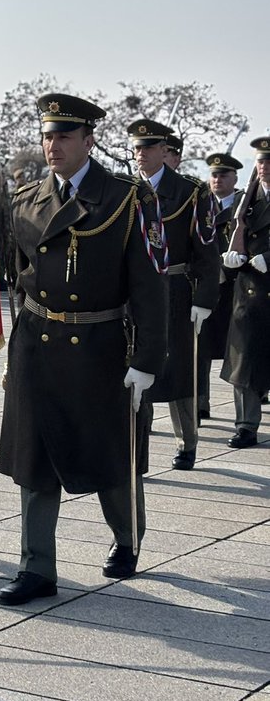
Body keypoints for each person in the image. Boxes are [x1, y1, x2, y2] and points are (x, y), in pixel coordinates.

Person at [0, 96, 167, 605]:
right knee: (35, 459)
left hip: (98, 346)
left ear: (89, 141)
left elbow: (149, 286)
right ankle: (37, 568)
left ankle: (127, 535)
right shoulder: (27, 198)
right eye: (48, 136)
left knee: (109, 456)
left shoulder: (125, 198)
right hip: (37, 344)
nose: (53, 146)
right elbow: (19, 280)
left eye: (65, 136)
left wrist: (146, 361)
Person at [129, 120, 220, 470]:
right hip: (136, 293)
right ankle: (138, 449)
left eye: (149, 148)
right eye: (137, 148)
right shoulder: (127, 189)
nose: (142, 154)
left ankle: (187, 443)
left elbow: (207, 250)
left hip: (176, 289)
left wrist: (205, 297)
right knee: (138, 371)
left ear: (165, 151)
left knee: (179, 372)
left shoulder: (190, 192)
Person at [220, 136, 270, 448]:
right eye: (261, 161)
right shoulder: (246, 201)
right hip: (250, 290)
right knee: (244, 362)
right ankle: (246, 426)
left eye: (269, 161)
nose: (264, 167)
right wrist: (231, 261)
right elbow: (230, 236)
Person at [197, 152, 243, 419]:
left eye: (223, 174)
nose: (217, 179)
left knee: (238, 349)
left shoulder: (243, 204)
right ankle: (201, 402)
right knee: (200, 348)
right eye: (214, 174)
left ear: (234, 177)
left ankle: (248, 408)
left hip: (235, 286)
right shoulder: (200, 205)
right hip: (207, 285)